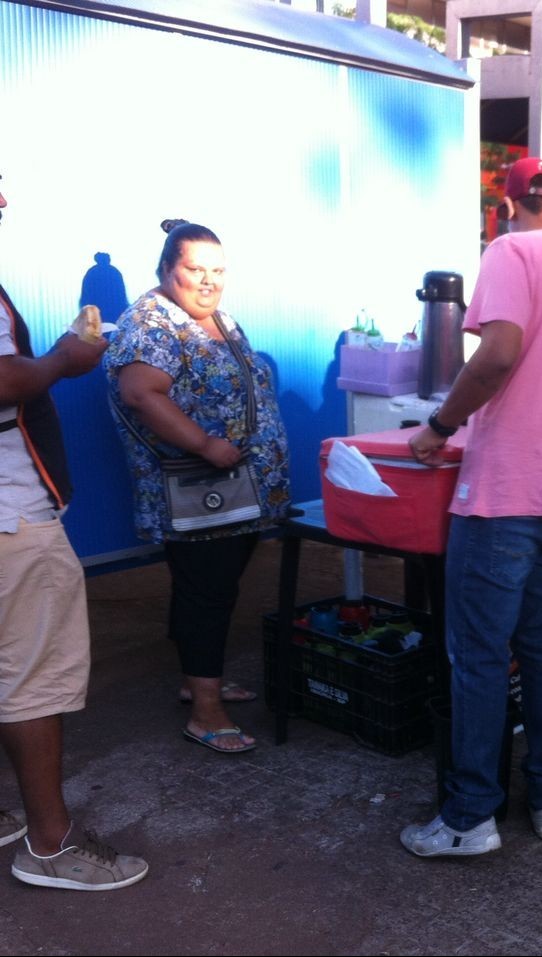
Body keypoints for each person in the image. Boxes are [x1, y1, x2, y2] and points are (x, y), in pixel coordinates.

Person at [400, 158, 542, 857]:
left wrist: (438, 426)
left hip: (503, 497)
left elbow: (497, 353)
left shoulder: (509, 250)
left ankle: (469, 816)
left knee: (479, 655)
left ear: (507, 205)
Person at [0, 179, 148, 889]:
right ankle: (50, 846)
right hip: (10, 518)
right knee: (30, 681)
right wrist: (64, 358)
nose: (1, 203)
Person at [104, 219, 290, 754]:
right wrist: (206, 445)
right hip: (201, 490)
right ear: (166, 269)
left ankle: (196, 678)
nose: (208, 281)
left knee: (212, 588)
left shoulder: (214, 318)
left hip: (239, 491)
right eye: (194, 269)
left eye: (217, 271)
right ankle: (207, 713)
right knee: (206, 591)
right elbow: (142, 393)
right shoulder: (153, 324)